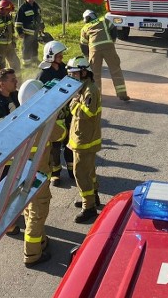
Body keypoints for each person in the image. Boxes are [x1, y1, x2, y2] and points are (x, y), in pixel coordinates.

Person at [17, 78, 66, 268]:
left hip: (23, 175)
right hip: (38, 175)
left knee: (29, 209)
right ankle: (32, 253)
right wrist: (55, 115)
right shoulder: (42, 121)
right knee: (38, 212)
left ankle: (40, 241)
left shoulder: (18, 117)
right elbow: (60, 134)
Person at [66, 57, 102, 223]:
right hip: (82, 137)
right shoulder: (84, 88)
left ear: (84, 72)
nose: (72, 77)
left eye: (74, 74)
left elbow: (87, 113)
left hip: (85, 140)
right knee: (89, 171)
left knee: (80, 173)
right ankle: (92, 197)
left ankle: (89, 208)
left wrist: (74, 103)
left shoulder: (90, 91)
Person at [37, 40, 71, 185]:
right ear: (51, 56)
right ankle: (56, 173)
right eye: (59, 54)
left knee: (70, 143)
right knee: (55, 145)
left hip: (68, 110)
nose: (62, 56)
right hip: (54, 114)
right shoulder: (43, 74)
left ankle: (72, 170)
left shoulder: (65, 69)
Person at [80, 9, 130, 101]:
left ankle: (96, 97)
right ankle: (122, 94)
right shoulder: (104, 20)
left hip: (94, 50)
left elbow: (83, 45)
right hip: (108, 47)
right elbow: (113, 30)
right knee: (115, 70)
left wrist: (87, 57)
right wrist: (112, 42)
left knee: (95, 74)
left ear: (85, 19)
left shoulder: (85, 28)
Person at [15, 0, 44, 68]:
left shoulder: (36, 6)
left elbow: (39, 18)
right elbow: (18, 22)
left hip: (35, 32)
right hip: (27, 33)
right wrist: (20, 32)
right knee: (26, 48)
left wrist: (42, 26)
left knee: (35, 46)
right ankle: (26, 63)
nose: (31, 0)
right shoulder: (23, 8)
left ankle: (35, 59)